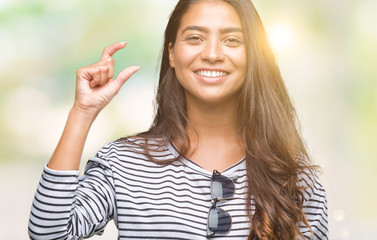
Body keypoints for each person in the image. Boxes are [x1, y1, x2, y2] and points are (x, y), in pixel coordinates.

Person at [28, 0, 328, 239]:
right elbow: (49, 233)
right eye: (195, 38)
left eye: (232, 40)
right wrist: (82, 113)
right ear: (172, 53)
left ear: (254, 57)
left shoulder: (294, 177)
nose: (212, 53)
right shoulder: (122, 161)